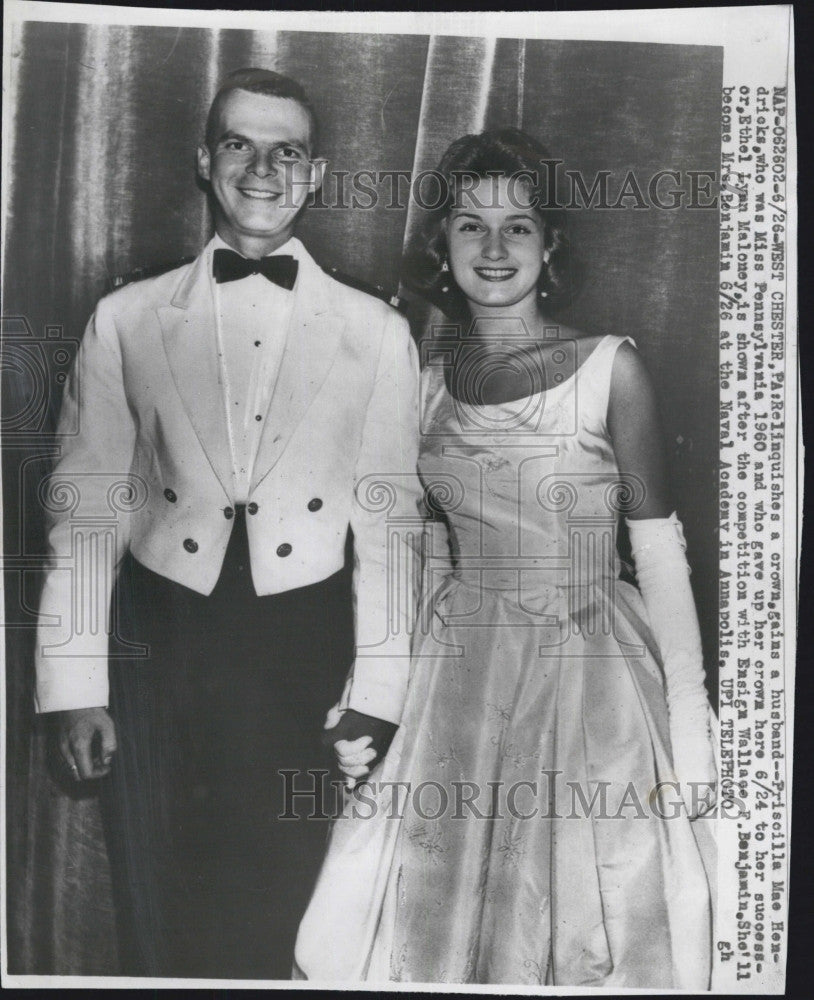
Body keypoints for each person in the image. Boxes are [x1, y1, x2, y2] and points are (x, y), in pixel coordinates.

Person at [295, 128, 717, 988]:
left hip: (590, 666)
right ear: (440, 248)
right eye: (470, 226)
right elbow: (413, 554)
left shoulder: (610, 369)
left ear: (550, 244)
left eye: (517, 226)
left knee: (586, 913)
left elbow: (658, 551)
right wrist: (369, 691)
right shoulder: (424, 379)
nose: (494, 248)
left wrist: (690, 718)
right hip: (459, 674)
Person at [34, 68, 419, 979]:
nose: (261, 168)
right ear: (206, 162)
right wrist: (74, 684)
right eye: (239, 144)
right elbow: (86, 509)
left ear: (316, 174)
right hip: (159, 639)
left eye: (286, 150)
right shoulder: (126, 317)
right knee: (157, 903)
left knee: (277, 898)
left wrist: (380, 691)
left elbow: (393, 529)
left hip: (303, 644)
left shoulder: (375, 332)